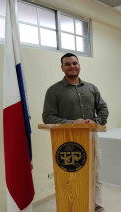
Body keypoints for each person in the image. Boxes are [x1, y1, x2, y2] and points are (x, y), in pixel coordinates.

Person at [42, 53, 109, 212]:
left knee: (96, 174)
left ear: (79, 65)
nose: (72, 66)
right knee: (71, 177)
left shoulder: (91, 88)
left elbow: (103, 109)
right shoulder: (54, 91)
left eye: (74, 63)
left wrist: (96, 121)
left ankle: (97, 206)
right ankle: (72, 206)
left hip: (92, 137)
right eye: (67, 64)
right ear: (62, 68)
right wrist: (72, 123)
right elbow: (48, 117)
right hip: (67, 143)